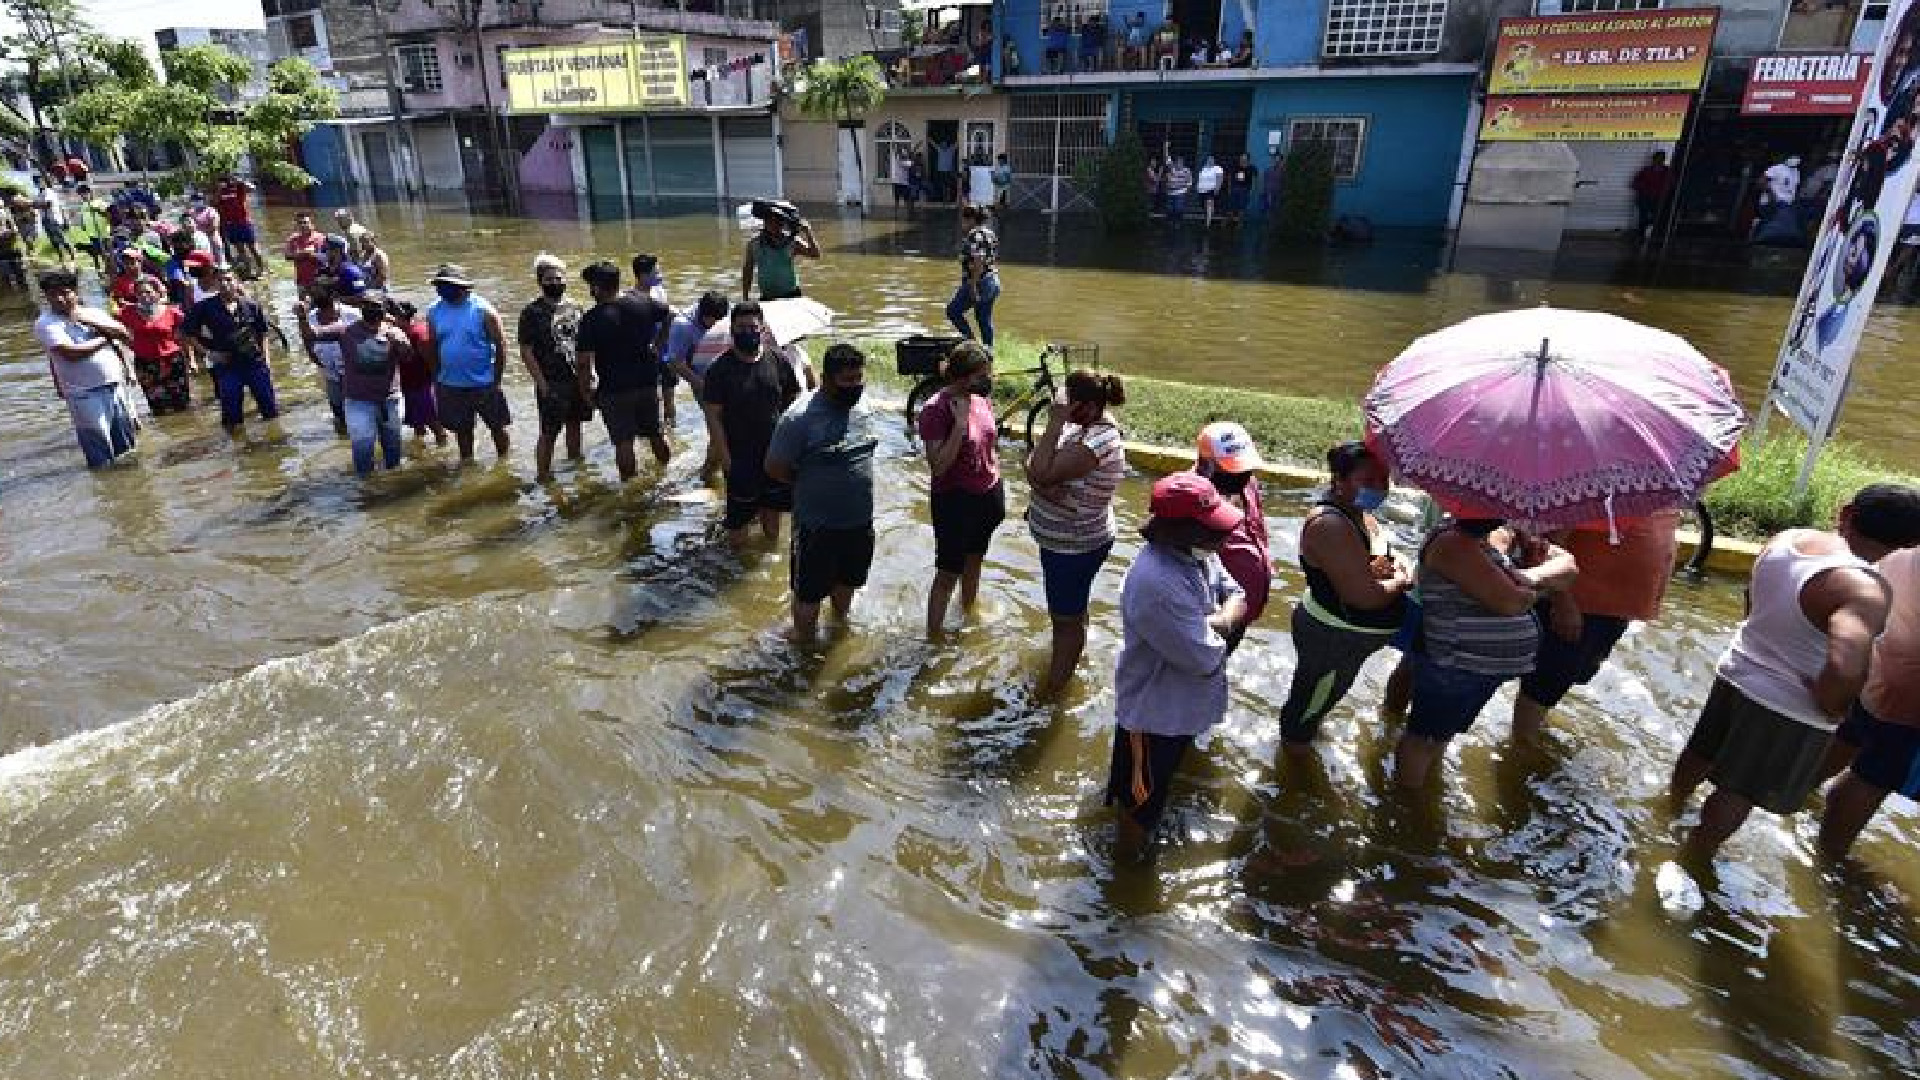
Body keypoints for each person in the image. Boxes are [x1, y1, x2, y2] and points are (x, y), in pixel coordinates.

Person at [1670, 487, 1920, 858]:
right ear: (1911, 542)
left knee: (1700, 752)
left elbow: (1751, 599)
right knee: (1739, 790)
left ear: (1847, 511)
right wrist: (1831, 704)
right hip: (1788, 706)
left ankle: (1670, 807)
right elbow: (1846, 665)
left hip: (1737, 668)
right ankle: (1696, 856)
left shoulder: (1790, 539)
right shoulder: (1865, 588)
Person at [1107, 472, 1250, 853]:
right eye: (1212, 529)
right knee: (1138, 804)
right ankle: (1128, 866)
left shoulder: (1196, 553)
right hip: (1154, 717)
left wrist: (1220, 620)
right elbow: (1205, 658)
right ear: (1177, 530)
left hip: (1181, 707)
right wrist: (1226, 621)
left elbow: (1236, 592)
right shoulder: (1156, 584)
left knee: (1157, 785)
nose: (1222, 537)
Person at [1396, 520, 1578, 790]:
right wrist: (1535, 587)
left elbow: (1569, 567)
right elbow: (1510, 602)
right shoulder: (1451, 541)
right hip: (1455, 663)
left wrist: (1531, 577)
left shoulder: (1505, 536)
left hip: (1483, 669)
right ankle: (1408, 806)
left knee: (1441, 735)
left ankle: (1424, 792)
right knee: (1422, 740)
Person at [1277, 442, 1414, 757]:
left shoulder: (1357, 511)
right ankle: (1293, 773)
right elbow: (1364, 598)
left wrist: (1393, 564)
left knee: (1319, 697)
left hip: (1344, 638)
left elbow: (1378, 551)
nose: (1380, 488)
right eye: (1368, 482)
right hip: (1332, 638)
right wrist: (1402, 581)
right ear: (1338, 480)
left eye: (1384, 479)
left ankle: (1306, 739)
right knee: (1304, 713)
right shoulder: (1331, 524)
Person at [1510, 511, 1681, 745]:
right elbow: (1545, 543)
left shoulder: (1659, 482)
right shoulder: (1595, 480)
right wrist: (1563, 601)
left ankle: (1531, 733)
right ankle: (1520, 747)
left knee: (1566, 678)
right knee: (1544, 685)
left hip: (1615, 608)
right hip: (1580, 607)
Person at [765, 344, 879, 643]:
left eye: (858, 379)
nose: (854, 386)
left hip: (859, 523)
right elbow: (775, 467)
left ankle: (837, 634)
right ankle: (802, 649)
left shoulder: (864, 406)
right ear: (826, 379)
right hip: (817, 527)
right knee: (808, 597)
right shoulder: (799, 418)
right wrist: (811, 485)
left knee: (847, 586)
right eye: (847, 380)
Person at [1026, 370, 1127, 698]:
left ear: (1084, 405)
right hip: (1065, 540)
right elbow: (1033, 464)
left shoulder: (1096, 440)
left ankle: (1054, 692)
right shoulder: (1083, 427)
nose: (1061, 407)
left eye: (1067, 403)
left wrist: (1055, 421)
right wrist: (1041, 486)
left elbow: (1038, 468)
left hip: (1074, 546)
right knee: (1072, 611)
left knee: (1064, 620)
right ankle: (1069, 667)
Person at [1821, 536, 1920, 859]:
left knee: (1851, 740)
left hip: (1875, 671)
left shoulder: (1903, 555)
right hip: (1909, 701)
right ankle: (1829, 859)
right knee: (1873, 776)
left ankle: (1789, 788)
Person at [916, 341, 1004, 637]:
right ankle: (933, 636)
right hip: (955, 501)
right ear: (963, 376)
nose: (988, 380)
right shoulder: (935, 409)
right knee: (948, 572)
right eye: (983, 375)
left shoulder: (980, 398)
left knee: (975, 560)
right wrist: (959, 423)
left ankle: (968, 613)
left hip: (987, 496)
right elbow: (938, 466)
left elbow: (990, 441)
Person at [703, 300, 802, 545]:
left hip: (774, 455)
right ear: (732, 331)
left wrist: (792, 448)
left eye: (753, 327)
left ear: (762, 330)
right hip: (739, 456)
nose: (747, 332)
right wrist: (726, 460)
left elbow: (793, 401)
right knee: (738, 523)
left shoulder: (778, 361)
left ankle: (768, 563)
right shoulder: (719, 369)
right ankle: (736, 572)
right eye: (741, 328)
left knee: (772, 513)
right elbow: (713, 417)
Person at [576, 260, 673, 481]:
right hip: (647, 382)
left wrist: (586, 392)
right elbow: (669, 315)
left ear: (597, 288)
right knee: (656, 433)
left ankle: (629, 486)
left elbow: (583, 363)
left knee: (623, 441)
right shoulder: (643, 302)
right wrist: (658, 344)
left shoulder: (591, 320)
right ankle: (666, 473)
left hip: (614, 389)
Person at [35, 270, 139, 468]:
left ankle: (131, 485)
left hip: (113, 384)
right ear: (46, 296)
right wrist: (105, 338)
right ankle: (106, 487)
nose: (60, 299)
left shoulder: (93, 313)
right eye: (53, 294)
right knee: (97, 448)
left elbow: (125, 334)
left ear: (75, 291)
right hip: (83, 392)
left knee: (126, 446)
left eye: (65, 292)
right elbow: (71, 353)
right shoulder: (46, 323)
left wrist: (88, 321)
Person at [314, 291, 413, 476]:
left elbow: (408, 358)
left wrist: (402, 344)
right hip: (358, 401)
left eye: (375, 306)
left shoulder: (393, 331)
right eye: (366, 306)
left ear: (384, 310)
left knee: (393, 447)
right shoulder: (346, 330)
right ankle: (365, 485)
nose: (371, 310)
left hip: (390, 399)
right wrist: (303, 317)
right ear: (361, 308)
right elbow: (314, 333)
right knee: (362, 446)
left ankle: (395, 480)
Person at [424, 263, 512, 463]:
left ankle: (504, 463)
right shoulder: (434, 311)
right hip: (451, 384)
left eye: (445, 286)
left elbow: (501, 346)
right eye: (438, 286)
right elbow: (433, 345)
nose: (440, 290)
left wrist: (496, 381)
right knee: (462, 431)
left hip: (484, 383)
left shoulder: (483, 311)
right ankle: (467, 464)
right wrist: (437, 377)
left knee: (497, 427)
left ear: (462, 287)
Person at [1195, 422, 1273, 639]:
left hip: (1243, 605)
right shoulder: (1193, 500)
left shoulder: (1247, 483)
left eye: (1245, 468)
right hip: (1216, 611)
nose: (1241, 475)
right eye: (1232, 469)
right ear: (1206, 464)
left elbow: (1258, 530)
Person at [182, 267, 279, 436]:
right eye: (220, 281)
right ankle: (238, 449)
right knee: (231, 414)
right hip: (227, 366)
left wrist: (267, 360)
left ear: (237, 282)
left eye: (228, 280)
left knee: (270, 409)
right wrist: (209, 354)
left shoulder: (251, 305)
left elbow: (262, 333)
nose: (225, 284)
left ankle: (275, 442)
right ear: (215, 284)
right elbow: (186, 333)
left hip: (254, 363)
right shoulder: (204, 308)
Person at [517, 252, 588, 481]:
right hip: (551, 382)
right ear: (540, 282)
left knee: (575, 425)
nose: (556, 283)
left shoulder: (576, 307)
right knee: (548, 432)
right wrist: (542, 384)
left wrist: (589, 376)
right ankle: (543, 476)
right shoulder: (531, 312)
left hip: (577, 378)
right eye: (549, 279)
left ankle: (576, 468)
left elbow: (585, 346)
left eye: (559, 278)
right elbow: (526, 352)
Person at [665, 291, 730, 473]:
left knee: (730, 428)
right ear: (705, 316)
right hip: (702, 381)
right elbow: (674, 362)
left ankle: (715, 469)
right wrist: (701, 384)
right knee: (719, 431)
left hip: (726, 376)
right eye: (715, 322)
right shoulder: (682, 326)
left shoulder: (726, 315)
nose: (719, 326)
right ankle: (708, 475)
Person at [117, 275, 192, 415]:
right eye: (140, 293)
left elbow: (185, 337)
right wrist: (131, 346)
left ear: (157, 293)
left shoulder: (172, 312)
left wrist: (191, 360)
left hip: (173, 361)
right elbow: (116, 333)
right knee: (157, 407)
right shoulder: (127, 313)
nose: (144, 296)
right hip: (145, 364)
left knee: (181, 404)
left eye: (148, 292)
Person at [293, 282, 360, 435]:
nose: (315, 295)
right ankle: (343, 435)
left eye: (320, 293)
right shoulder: (310, 317)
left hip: (352, 370)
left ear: (333, 297)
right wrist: (313, 356)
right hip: (329, 369)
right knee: (337, 407)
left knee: (355, 406)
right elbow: (307, 340)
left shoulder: (352, 314)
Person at [391, 298, 446, 446]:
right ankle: (420, 451)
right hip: (410, 385)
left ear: (402, 318)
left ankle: (442, 449)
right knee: (417, 423)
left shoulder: (418, 334)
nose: (393, 321)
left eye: (395, 317)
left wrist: (436, 385)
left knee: (434, 423)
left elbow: (432, 362)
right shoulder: (403, 332)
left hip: (423, 386)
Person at [947, 204, 1001, 346]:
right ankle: (988, 353)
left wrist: (973, 286)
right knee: (984, 319)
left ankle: (972, 344)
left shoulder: (973, 235)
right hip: (993, 281)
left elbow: (978, 260)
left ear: (971, 219)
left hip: (979, 282)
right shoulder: (990, 233)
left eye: (964, 220)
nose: (962, 224)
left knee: (953, 311)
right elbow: (993, 258)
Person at [741, 210, 821, 302]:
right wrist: (745, 297)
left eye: (778, 221)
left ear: (783, 223)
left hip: (791, 295)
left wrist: (808, 232)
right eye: (771, 221)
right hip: (767, 296)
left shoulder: (791, 241)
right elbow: (748, 270)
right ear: (765, 223)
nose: (775, 225)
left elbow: (815, 254)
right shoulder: (755, 243)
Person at [215, 176, 262, 278]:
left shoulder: (239, 187)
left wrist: (241, 181)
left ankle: (260, 270)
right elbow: (216, 202)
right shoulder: (221, 192)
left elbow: (253, 188)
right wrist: (219, 190)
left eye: (227, 180)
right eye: (223, 181)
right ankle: (248, 271)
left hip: (244, 223)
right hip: (231, 224)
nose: (226, 183)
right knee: (241, 250)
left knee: (253, 248)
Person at [1630, 151, 1673, 243]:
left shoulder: (1667, 172)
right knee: (1643, 218)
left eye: (1661, 159)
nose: (1659, 161)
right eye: (1657, 159)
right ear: (1653, 160)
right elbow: (1635, 183)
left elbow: (1670, 185)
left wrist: (1664, 194)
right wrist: (1645, 189)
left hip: (1659, 200)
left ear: (1663, 160)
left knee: (1658, 219)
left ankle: (1655, 237)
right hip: (1645, 199)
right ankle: (1641, 237)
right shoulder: (1646, 171)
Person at [34, 176, 74, 266]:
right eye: (38, 182)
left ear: (44, 182)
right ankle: (61, 257)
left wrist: (37, 204)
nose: (39, 184)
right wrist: (38, 204)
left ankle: (72, 255)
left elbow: (48, 204)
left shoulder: (49, 192)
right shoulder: (39, 194)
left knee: (61, 238)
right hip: (45, 219)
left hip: (53, 219)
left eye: (41, 182)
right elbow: (36, 205)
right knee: (53, 240)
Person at [284, 211, 326, 288]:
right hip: (301, 280)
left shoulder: (320, 238)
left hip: (318, 279)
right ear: (297, 225)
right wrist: (303, 253)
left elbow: (326, 257)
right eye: (300, 223)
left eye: (305, 222)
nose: (303, 225)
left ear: (311, 224)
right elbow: (287, 256)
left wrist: (312, 254)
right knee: (302, 300)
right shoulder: (293, 239)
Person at [1225, 153, 1257, 225]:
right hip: (1235, 188)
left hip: (1245, 189)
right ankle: (1228, 222)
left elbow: (1255, 180)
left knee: (1241, 207)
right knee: (1231, 206)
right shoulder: (1235, 167)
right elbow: (1230, 178)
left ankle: (1240, 223)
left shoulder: (1252, 168)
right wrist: (1229, 188)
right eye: (1241, 158)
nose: (1242, 160)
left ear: (1248, 160)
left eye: (1244, 159)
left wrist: (1252, 190)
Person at [1196, 155, 1225, 227]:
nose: (1210, 160)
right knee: (1204, 206)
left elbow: (1220, 178)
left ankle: (1207, 224)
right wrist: (1198, 186)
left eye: (1212, 159)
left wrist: (1217, 188)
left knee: (1209, 204)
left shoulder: (1217, 168)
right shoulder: (1203, 168)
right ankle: (1208, 217)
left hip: (1211, 189)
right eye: (1209, 159)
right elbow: (1200, 178)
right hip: (1202, 190)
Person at [0, 214, 26, 289]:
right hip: (3, 255)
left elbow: (14, 235)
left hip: (10, 252)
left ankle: (20, 282)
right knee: (5, 267)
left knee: (16, 260)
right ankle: (10, 284)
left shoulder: (8, 229)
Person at [1165, 157, 1193, 223]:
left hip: (1180, 192)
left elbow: (1189, 182)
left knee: (1178, 208)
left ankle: (1178, 223)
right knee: (1170, 209)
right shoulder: (1172, 169)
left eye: (1180, 162)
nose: (1179, 164)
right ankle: (1171, 222)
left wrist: (1187, 191)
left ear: (1183, 163)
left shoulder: (1187, 170)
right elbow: (1167, 161)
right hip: (1170, 192)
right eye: (1177, 162)